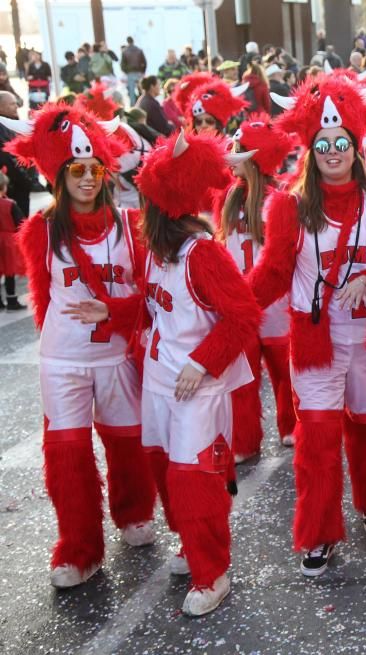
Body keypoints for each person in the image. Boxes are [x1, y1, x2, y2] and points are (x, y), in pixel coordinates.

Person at [252, 75, 366, 577]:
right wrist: (230, 304)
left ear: (356, 145)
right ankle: (317, 533)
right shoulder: (289, 206)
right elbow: (274, 271)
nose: (334, 150)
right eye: (324, 143)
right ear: (311, 148)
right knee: (316, 438)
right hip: (315, 338)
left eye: (342, 142)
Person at [4, 104, 157, 588]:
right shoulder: (41, 230)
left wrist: (113, 311)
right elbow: (43, 301)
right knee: (67, 454)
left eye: (95, 168)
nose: (87, 178)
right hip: (64, 361)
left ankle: (133, 513)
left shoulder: (132, 229)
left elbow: (153, 298)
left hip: (115, 357)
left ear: (106, 169)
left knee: (127, 443)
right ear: (59, 174)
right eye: (76, 169)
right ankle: (79, 547)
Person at [122, 131, 259, 616]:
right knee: (165, 470)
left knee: (194, 477)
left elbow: (243, 316)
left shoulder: (202, 252)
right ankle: (190, 546)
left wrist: (202, 362)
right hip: (160, 382)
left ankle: (212, 571)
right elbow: (154, 312)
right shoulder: (160, 250)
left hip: (197, 387)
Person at [215, 113, 297, 460]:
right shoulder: (227, 198)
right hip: (240, 303)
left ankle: (291, 427)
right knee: (242, 379)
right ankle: (245, 440)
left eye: (239, 152)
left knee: (284, 372)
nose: (232, 159)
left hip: (275, 302)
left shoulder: (281, 197)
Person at [184, 79, 248, 136]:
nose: (203, 125)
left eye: (209, 121)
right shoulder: (187, 147)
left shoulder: (229, 146)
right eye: (198, 122)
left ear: (217, 124)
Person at [0, 170, 25, 309]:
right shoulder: (10, 204)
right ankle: (11, 301)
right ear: (4, 186)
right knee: (10, 271)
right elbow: (20, 223)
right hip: (8, 241)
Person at [120, 37, 147, 106]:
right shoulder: (139, 50)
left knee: (132, 92)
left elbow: (122, 65)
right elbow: (144, 62)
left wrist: (127, 71)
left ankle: (134, 107)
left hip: (130, 73)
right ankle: (143, 104)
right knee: (142, 90)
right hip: (139, 72)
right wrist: (142, 71)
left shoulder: (125, 51)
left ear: (127, 42)